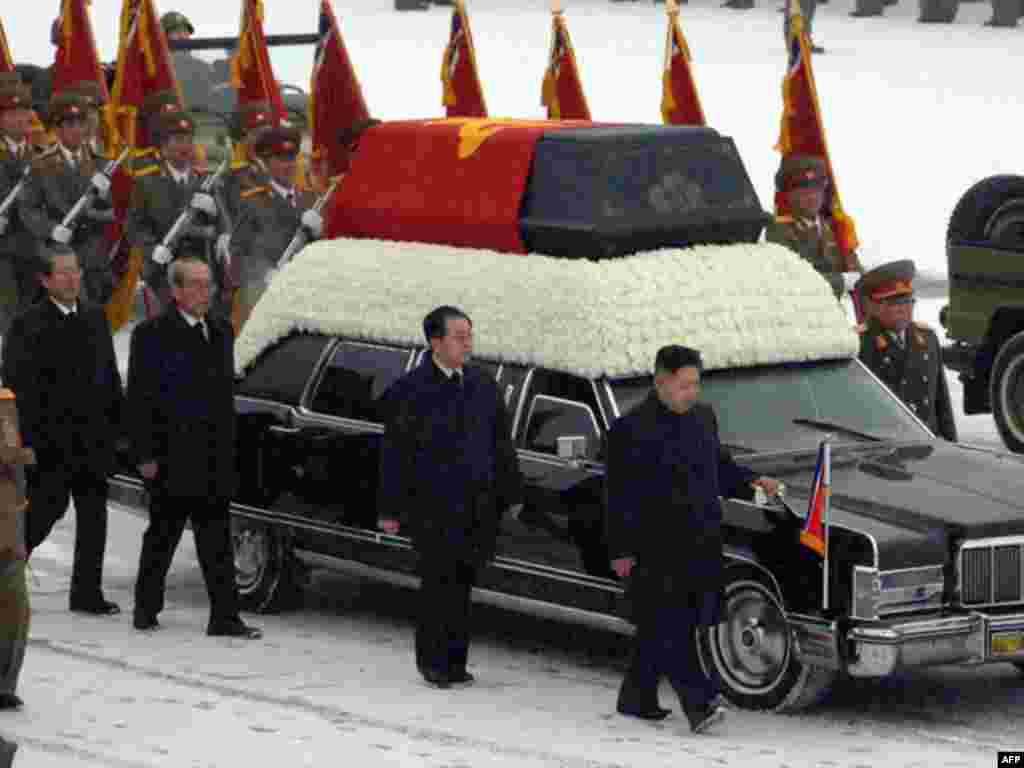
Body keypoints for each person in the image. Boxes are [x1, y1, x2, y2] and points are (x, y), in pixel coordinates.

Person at [605, 345, 780, 733]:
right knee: (671, 626)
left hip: (700, 539)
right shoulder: (630, 429)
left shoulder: (703, 417)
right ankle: (700, 704)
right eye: (684, 385)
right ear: (661, 382)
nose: (692, 392)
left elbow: (719, 466)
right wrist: (620, 550)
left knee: (666, 625)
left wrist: (750, 480)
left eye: (696, 384)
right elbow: (616, 496)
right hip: (654, 546)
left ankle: (636, 697)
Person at [378, 306, 523, 688]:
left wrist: (512, 493)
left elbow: (501, 445)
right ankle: (432, 662)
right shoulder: (411, 391)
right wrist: (390, 509)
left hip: (476, 507)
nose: (467, 344)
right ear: (436, 341)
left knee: (462, 585)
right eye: (459, 337)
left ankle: (456, 661)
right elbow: (394, 455)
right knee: (436, 586)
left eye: (470, 336)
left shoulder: (482, 386)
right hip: (432, 508)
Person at [127, 256, 261, 639]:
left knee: (216, 539)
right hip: (170, 455)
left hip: (212, 456)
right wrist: (145, 455)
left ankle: (225, 617)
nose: (206, 292)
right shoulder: (151, 335)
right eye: (197, 285)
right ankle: (146, 607)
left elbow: (223, 398)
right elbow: (140, 399)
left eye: (208, 284)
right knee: (163, 535)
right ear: (178, 289)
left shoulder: (220, 331)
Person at [1, 244, 123, 616]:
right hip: (49, 443)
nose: (72, 279)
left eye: (76, 271)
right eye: (64, 273)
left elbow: (109, 378)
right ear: (45, 279)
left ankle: (87, 593)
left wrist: (117, 429)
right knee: (41, 513)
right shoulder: (28, 324)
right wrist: (27, 443)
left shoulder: (94, 317)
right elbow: (18, 389)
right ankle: (6, 579)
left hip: (92, 440)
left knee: (93, 518)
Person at [126, 107, 231, 320]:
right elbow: (134, 225)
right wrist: (152, 249)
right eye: (177, 139)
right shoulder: (147, 182)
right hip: (163, 275)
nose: (184, 146)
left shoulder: (205, 180)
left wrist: (216, 218)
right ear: (163, 146)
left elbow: (225, 224)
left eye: (188, 139)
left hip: (202, 270)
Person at [18, 91, 116, 306]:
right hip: (57, 255)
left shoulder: (101, 165)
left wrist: (96, 208)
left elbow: (112, 214)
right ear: (57, 129)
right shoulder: (40, 164)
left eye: (80, 124)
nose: (76, 130)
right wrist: (51, 229)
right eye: (69, 125)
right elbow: (27, 210)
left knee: (92, 322)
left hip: (91, 257)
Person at [228, 124, 322, 331]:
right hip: (266, 297)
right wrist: (261, 274)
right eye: (280, 160)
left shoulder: (311, 199)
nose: (288, 166)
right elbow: (238, 252)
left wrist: (320, 233)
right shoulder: (251, 201)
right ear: (266, 163)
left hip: (305, 294)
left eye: (291, 158)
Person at [856, 260, 957, 442]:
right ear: (876, 307)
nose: (904, 309)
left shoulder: (927, 338)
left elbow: (942, 405)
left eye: (908, 301)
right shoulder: (860, 344)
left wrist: (952, 447)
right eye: (895, 303)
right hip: (884, 449)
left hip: (927, 445)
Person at [764, 154, 861, 300]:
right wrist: (843, 281)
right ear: (789, 195)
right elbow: (794, 281)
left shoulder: (836, 228)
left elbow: (856, 271)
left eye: (817, 189)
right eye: (803, 191)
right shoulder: (778, 230)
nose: (812, 197)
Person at [0, 388, 34, 713]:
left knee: (14, 607)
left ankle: (4, 684)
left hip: (7, 519)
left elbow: (17, 469)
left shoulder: (5, 402)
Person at [0, 74, 38, 332]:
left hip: (35, 249)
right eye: (10, 113)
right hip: (3, 251)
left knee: (35, 319)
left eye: (23, 112)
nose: (18, 119)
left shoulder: (42, 155)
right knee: (10, 320)